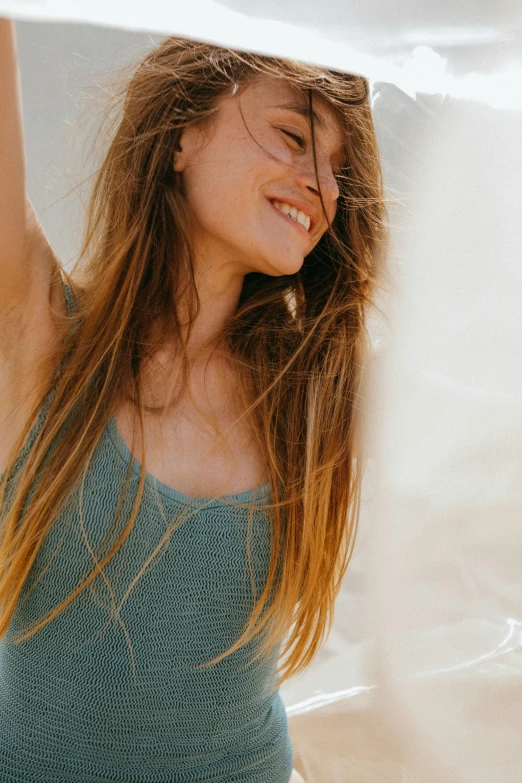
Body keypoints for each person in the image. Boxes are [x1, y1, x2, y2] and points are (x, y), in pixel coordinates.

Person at [0, 17, 386, 783]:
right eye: (290, 135)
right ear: (183, 135)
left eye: (340, 168)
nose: (323, 184)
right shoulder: (41, 334)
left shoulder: (317, 392)